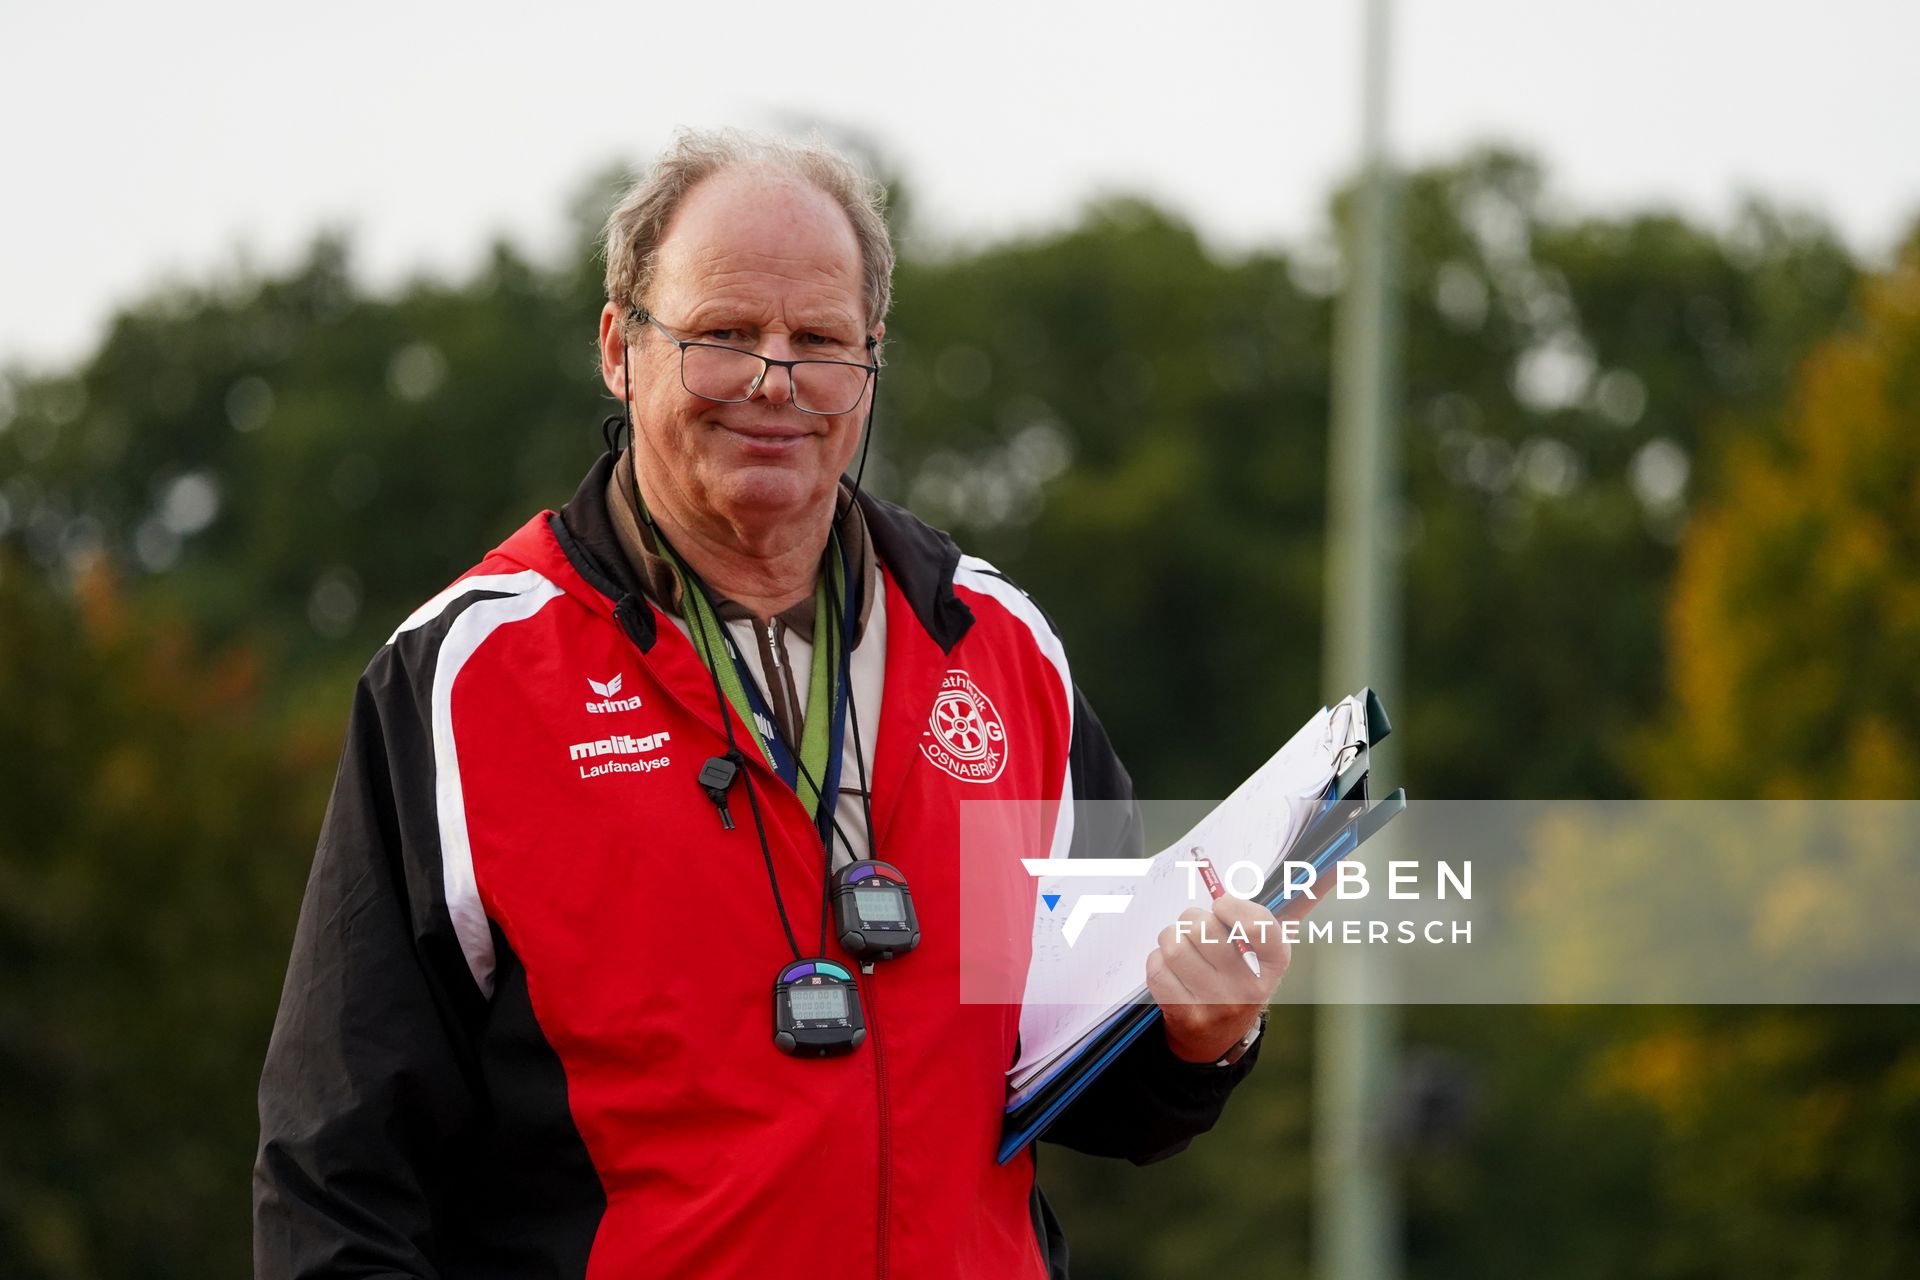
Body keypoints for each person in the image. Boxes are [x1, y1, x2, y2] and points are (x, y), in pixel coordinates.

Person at [254, 129, 1287, 1280]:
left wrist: (1205, 1034)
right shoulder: (465, 679)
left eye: (820, 342)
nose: (775, 381)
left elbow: (1102, 1086)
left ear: (871, 362)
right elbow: (334, 1178)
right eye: (724, 336)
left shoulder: (1004, 651)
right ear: (619, 346)